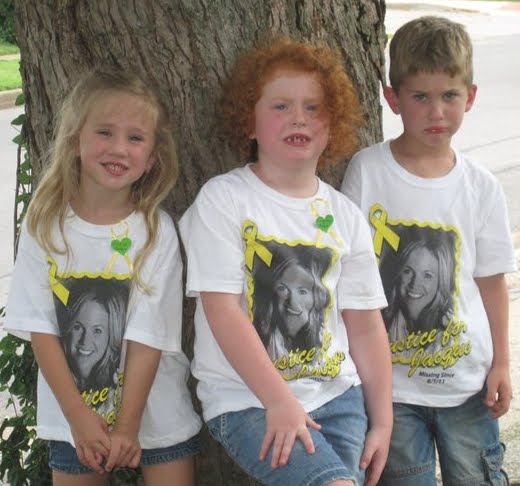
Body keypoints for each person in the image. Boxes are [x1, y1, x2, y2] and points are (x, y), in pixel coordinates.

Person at [179, 36, 392, 486]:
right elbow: (222, 310)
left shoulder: (345, 216)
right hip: (247, 401)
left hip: (338, 397)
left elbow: (366, 325)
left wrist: (383, 420)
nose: (299, 117)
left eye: (313, 108)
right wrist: (279, 401)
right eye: (281, 106)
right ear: (249, 123)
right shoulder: (225, 200)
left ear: (333, 125)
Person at [341, 16, 517, 485]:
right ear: (393, 98)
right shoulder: (367, 171)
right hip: (390, 389)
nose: (436, 112)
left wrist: (501, 363)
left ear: (470, 97)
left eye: (449, 96)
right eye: (420, 97)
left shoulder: (480, 186)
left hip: (468, 388)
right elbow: (348, 274)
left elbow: (492, 283)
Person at [4, 68, 201, 486]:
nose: (119, 148)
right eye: (105, 132)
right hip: (73, 418)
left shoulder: (156, 232)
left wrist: (128, 425)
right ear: (75, 140)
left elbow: (149, 336)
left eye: (135, 138)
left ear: (152, 157)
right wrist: (77, 415)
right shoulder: (45, 225)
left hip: (155, 411)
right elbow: (41, 329)